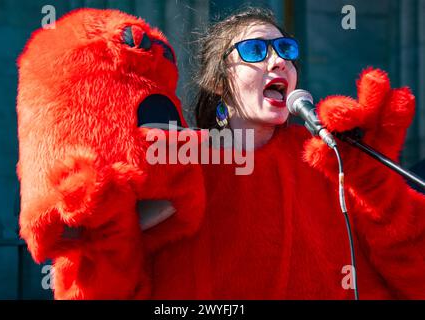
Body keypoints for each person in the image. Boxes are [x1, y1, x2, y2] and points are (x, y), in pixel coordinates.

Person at [147, 7, 425, 299]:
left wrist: (377, 186)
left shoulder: (328, 158)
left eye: (286, 49)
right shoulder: (186, 162)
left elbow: (412, 274)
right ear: (218, 82)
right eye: (255, 50)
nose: (279, 60)